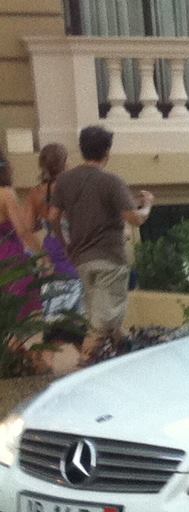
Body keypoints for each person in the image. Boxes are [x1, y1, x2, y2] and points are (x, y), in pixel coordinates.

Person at [47, 124, 150, 358]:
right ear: (107, 152)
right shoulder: (111, 181)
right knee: (101, 322)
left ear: (81, 149)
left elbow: (53, 217)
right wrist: (148, 205)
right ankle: (85, 364)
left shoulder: (64, 181)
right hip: (110, 258)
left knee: (103, 313)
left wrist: (65, 244)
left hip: (82, 259)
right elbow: (135, 219)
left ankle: (126, 349)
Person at [26, 144, 82, 319]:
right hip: (74, 247)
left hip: (50, 251)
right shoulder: (74, 188)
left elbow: (29, 227)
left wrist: (44, 220)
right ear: (64, 162)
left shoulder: (36, 193)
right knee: (80, 309)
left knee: (54, 307)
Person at [0, 153, 46, 319]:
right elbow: (23, 230)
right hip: (8, 256)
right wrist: (43, 255)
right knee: (18, 312)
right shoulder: (6, 194)